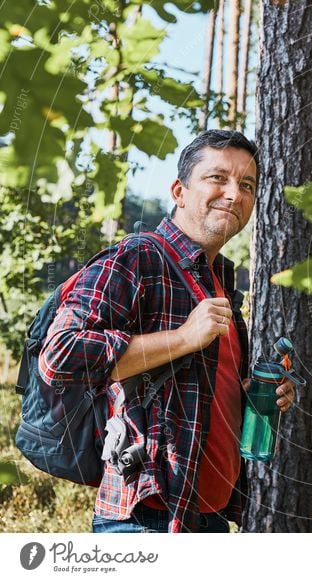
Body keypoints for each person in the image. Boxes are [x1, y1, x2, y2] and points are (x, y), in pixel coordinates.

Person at [38, 130, 295, 533]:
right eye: (218, 178)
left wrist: (249, 395)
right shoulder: (136, 257)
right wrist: (183, 338)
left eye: (247, 185)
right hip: (147, 519)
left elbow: (193, 387)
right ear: (179, 191)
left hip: (209, 514)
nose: (234, 194)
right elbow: (60, 357)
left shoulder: (220, 280)